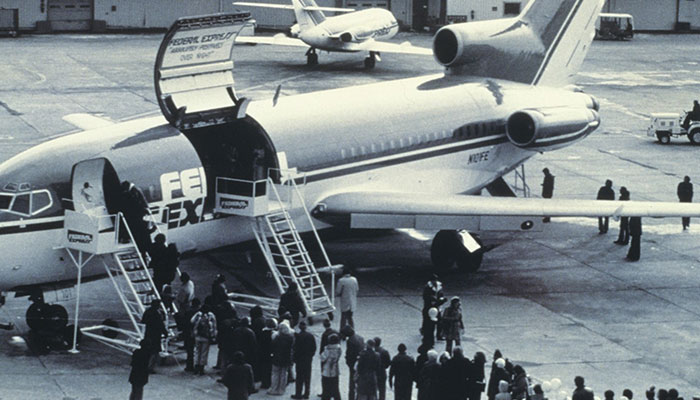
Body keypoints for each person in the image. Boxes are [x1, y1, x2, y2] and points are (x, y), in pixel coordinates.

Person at [191, 301, 217, 375]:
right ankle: (201, 367)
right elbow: (214, 326)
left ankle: (196, 366)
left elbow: (192, 321)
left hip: (197, 336)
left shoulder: (198, 314)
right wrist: (213, 336)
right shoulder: (211, 315)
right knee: (204, 352)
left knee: (197, 351)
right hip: (206, 337)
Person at [268, 322, 294, 395]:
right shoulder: (290, 338)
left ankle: (274, 389)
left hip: (277, 358)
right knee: (284, 374)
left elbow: (272, 347)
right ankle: (281, 390)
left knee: (275, 374)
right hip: (286, 358)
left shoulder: (276, 337)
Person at [292, 320, 316, 399]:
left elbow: (295, 348)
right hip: (308, 359)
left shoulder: (298, 336)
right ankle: (307, 393)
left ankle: (298, 394)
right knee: (307, 377)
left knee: (299, 377)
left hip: (300, 359)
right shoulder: (310, 336)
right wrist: (311, 355)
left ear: (299, 327)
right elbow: (314, 347)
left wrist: (295, 358)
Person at [141, 299, 166, 373]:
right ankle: (150, 367)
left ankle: (145, 365)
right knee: (154, 351)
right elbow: (161, 324)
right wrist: (165, 333)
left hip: (148, 333)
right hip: (155, 335)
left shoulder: (147, 311)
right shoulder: (157, 313)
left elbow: (143, 321)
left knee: (147, 350)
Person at [343, 324, 365, 400]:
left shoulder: (350, 341)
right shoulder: (360, 338)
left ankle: (351, 398)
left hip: (353, 364)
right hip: (361, 363)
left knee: (352, 383)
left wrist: (348, 362)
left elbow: (349, 354)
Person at [422, 274, 446, 341]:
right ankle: (426, 334)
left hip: (438, 306)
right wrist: (433, 300)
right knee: (428, 321)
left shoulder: (439, 286)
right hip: (429, 307)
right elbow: (425, 297)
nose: (434, 282)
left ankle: (439, 335)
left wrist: (441, 299)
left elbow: (441, 294)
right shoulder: (427, 287)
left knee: (439, 321)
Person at [320, 333, 342, 400]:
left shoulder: (327, 349)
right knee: (335, 388)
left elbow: (322, 358)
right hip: (335, 370)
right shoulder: (339, 348)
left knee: (326, 389)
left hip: (327, 371)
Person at [182, 298, 201, 372]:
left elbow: (185, 323)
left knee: (190, 351)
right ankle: (198, 366)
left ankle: (189, 366)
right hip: (198, 333)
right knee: (199, 351)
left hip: (188, 333)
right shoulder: (199, 312)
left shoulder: (188, 312)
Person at [258, 318, 277, 389]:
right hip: (270, 353)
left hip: (263, 352)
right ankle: (268, 382)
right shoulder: (273, 334)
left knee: (263, 368)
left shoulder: (262, 332)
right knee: (269, 368)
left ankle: (264, 382)